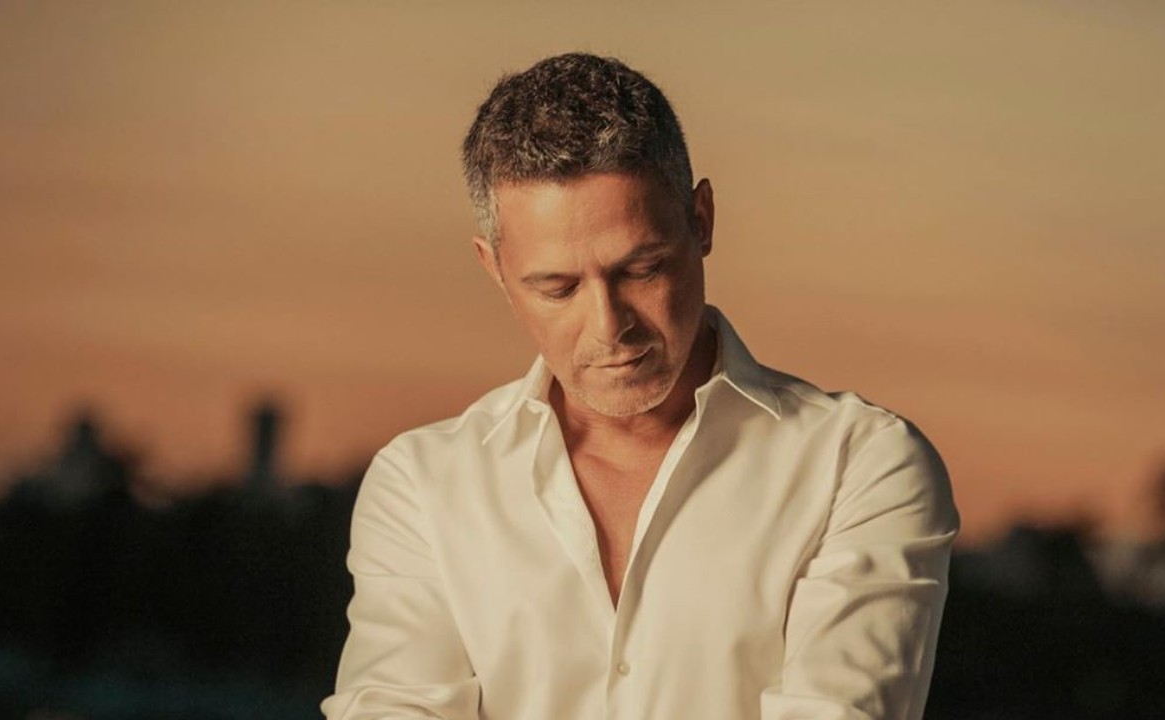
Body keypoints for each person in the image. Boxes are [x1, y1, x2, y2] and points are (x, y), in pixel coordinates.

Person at [321, 52, 960, 720]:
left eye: (641, 269)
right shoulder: (421, 487)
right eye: (558, 287)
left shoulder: (859, 466)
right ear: (496, 269)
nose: (610, 327)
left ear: (701, 221)